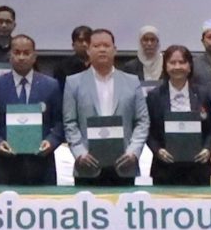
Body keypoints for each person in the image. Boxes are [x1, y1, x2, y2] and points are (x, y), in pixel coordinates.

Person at [62, 29, 147, 187]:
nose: (102, 49)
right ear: (88, 50)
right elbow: (70, 122)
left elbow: (142, 121)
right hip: (87, 164)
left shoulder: (132, 82)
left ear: (115, 50)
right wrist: (80, 153)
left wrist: (133, 151)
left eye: (106, 45)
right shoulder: (73, 83)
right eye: (96, 46)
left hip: (124, 163)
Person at [0, 34, 63, 187]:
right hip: (6, 165)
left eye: (26, 53)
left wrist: (51, 141)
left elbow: (60, 122)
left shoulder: (51, 85)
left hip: (42, 164)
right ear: (10, 55)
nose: (21, 57)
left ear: (34, 56)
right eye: (17, 52)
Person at [143, 45, 211, 186]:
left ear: (189, 66)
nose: (177, 67)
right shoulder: (154, 96)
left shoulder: (203, 94)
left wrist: (208, 149)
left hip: (198, 168)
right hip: (164, 168)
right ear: (165, 66)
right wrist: (158, 150)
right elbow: (148, 130)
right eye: (172, 62)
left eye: (182, 62)